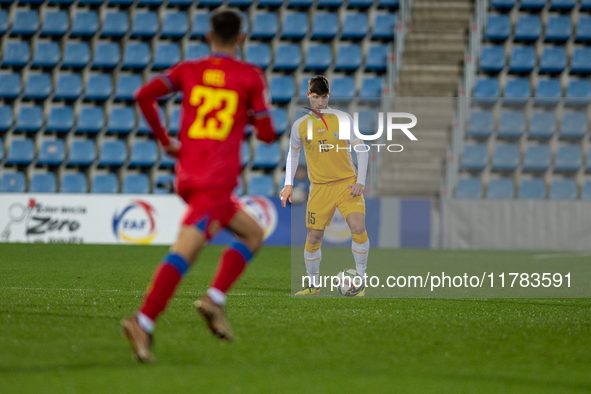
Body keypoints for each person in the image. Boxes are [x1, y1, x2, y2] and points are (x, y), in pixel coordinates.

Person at [121, 9, 276, 363]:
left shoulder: (187, 71)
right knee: (184, 252)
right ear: (241, 38)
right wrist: (250, 114)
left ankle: (214, 300)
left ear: (208, 37)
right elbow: (267, 135)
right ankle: (142, 320)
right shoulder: (250, 76)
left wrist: (164, 140)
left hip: (190, 173)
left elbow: (144, 95)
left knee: (253, 233)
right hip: (216, 179)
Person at [279, 76, 369, 296]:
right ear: (309, 95)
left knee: (357, 227)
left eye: (324, 97)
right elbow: (293, 154)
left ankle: (361, 281)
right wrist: (288, 185)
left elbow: (362, 149)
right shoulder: (300, 125)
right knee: (313, 237)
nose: (320, 102)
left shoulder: (342, 118)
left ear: (329, 96)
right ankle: (313, 286)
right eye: (316, 97)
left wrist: (360, 181)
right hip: (319, 188)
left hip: (347, 184)